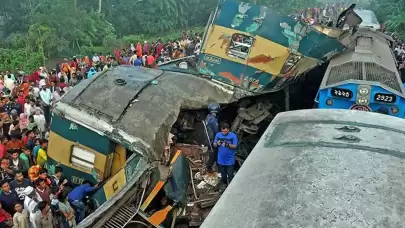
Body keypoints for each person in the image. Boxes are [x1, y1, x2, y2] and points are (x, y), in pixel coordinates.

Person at [213, 123, 238, 192]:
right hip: (221, 160)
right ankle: (224, 186)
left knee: (230, 175)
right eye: (223, 131)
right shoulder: (218, 135)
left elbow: (235, 146)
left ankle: (232, 188)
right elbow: (214, 144)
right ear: (221, 130)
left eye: (226, 131)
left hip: (230, 160)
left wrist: (228, 145)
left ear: (228, 130)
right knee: (223, 176)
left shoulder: (233, 136)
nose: (224, 133)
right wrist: (217, 144)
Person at [205, 103, 220, 174]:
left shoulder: (208, 117)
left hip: (209, 138)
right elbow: (216, 131)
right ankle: (209, 167)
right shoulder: (213, 120)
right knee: (214, 153)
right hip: (213, 139)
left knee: (213, 153)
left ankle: (212, 166)